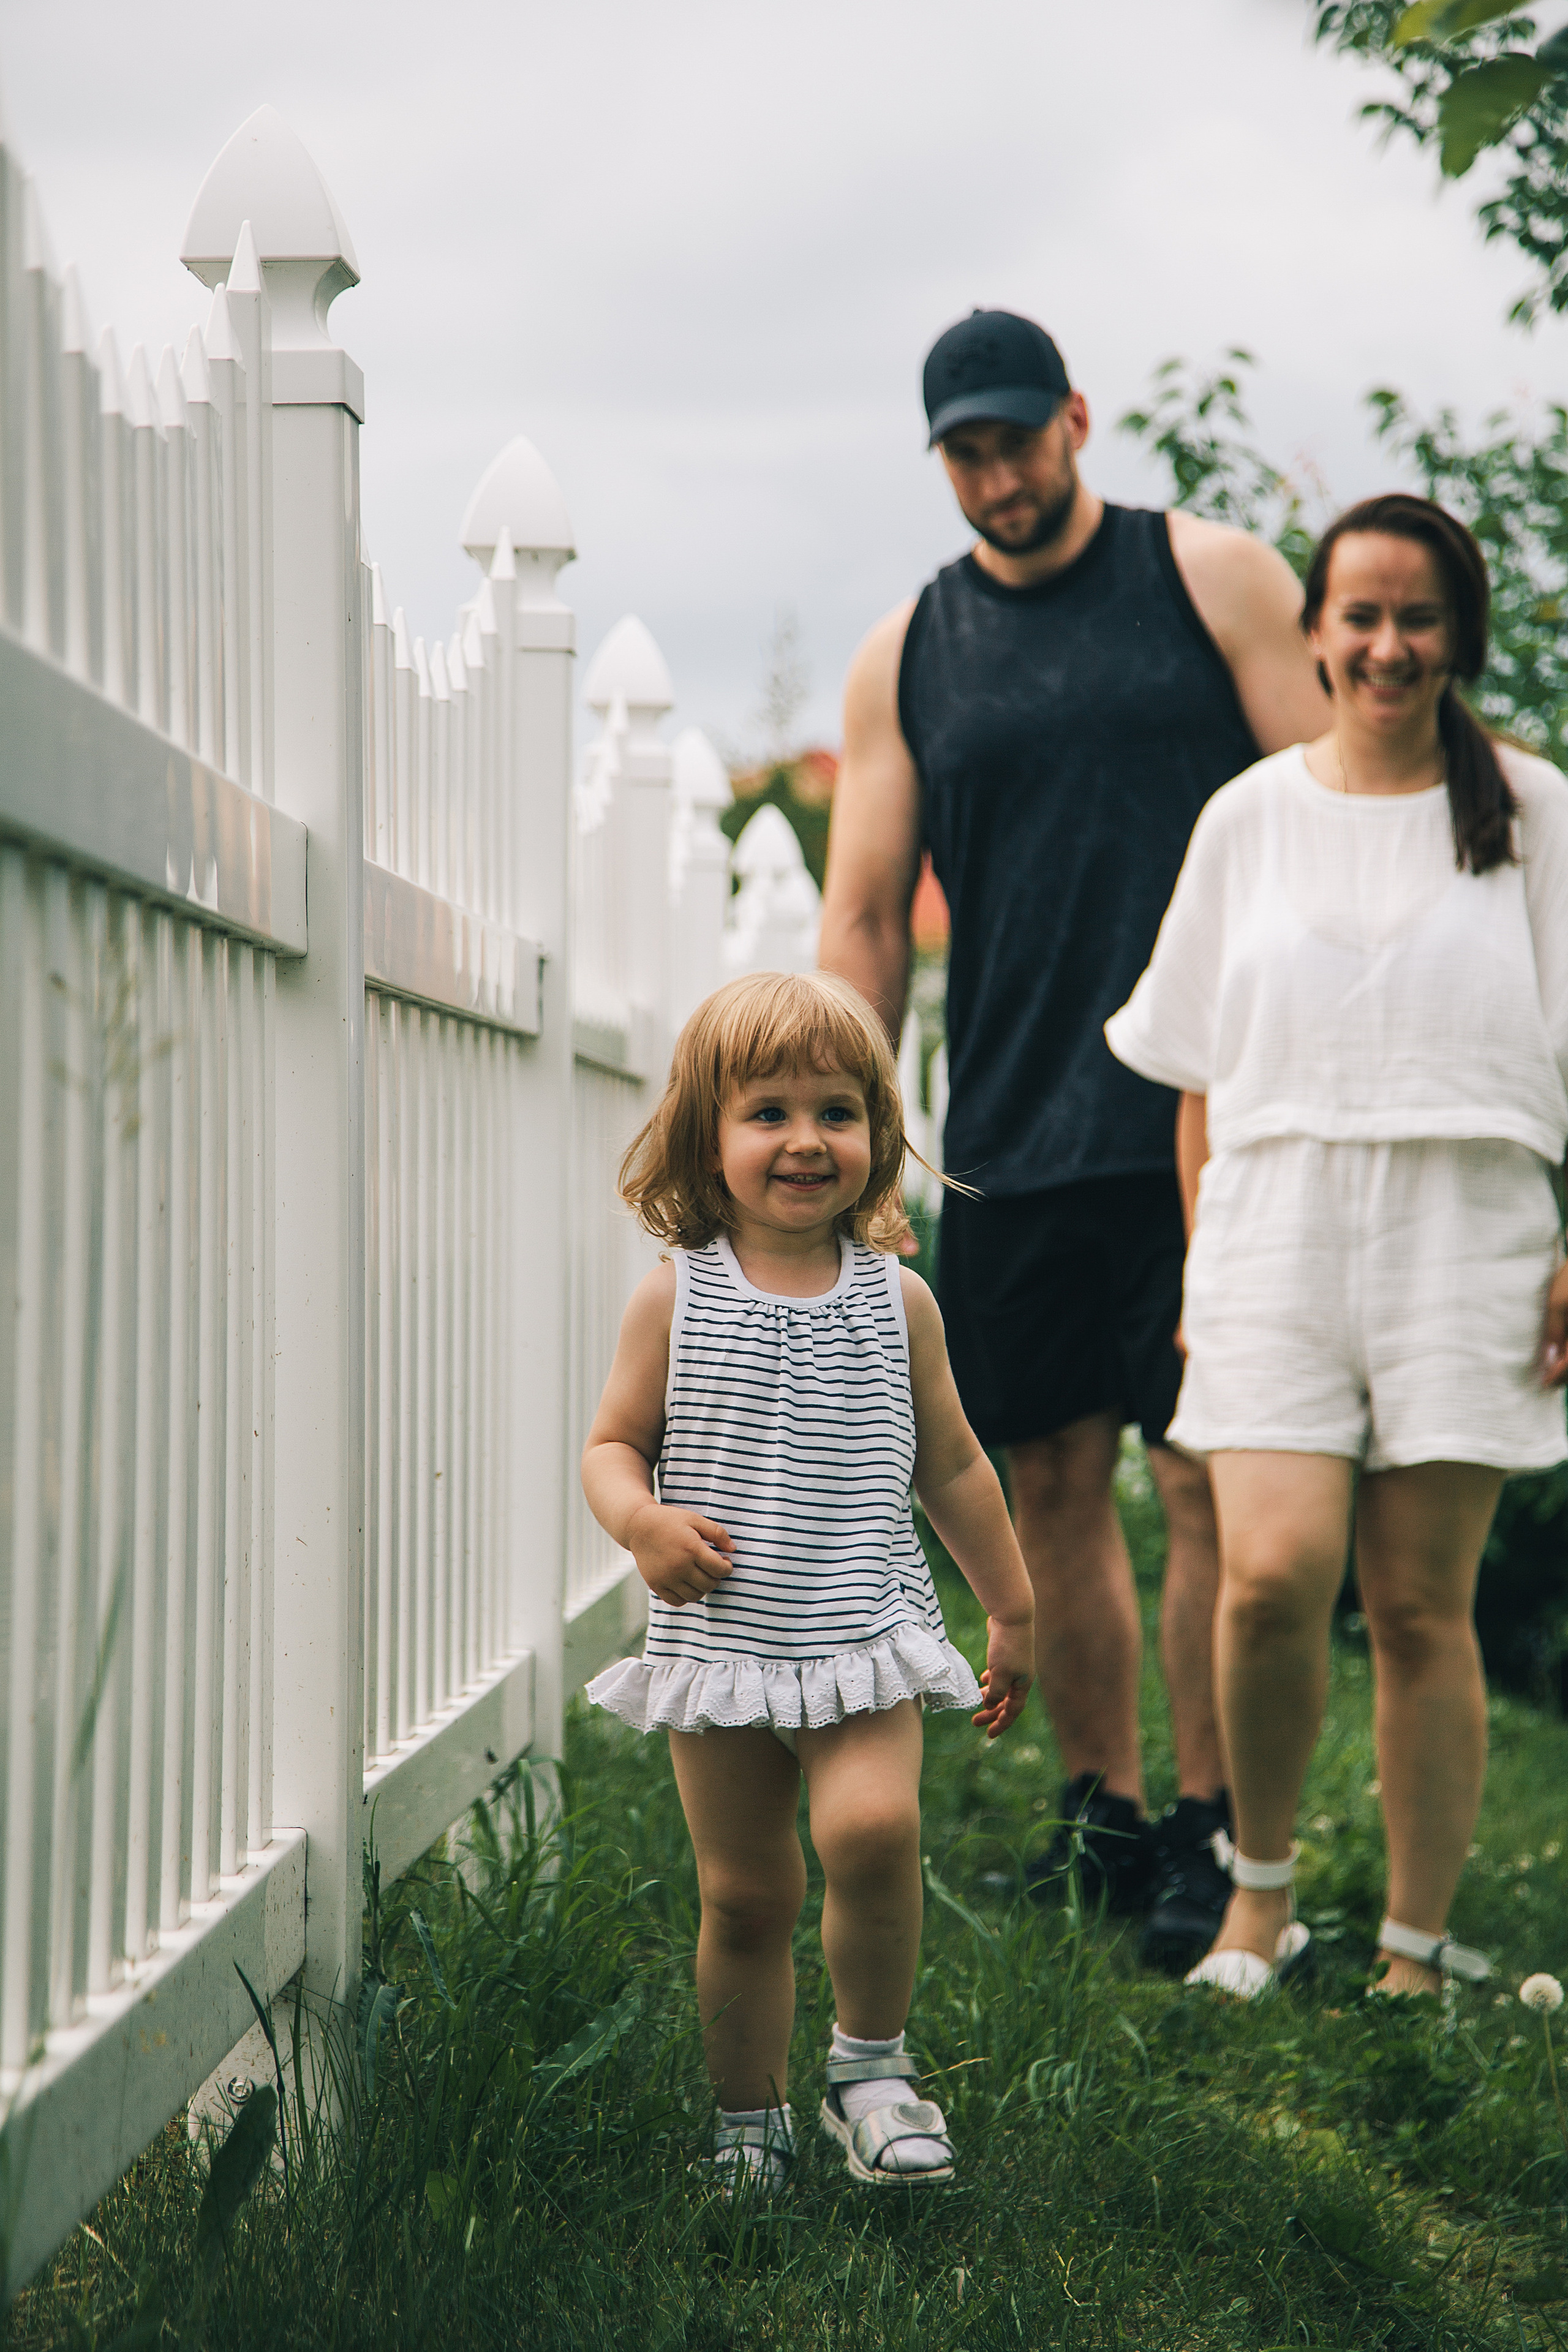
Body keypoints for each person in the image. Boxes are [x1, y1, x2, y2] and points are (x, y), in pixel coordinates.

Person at [818, 306, 1330, 1970]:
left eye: (1018, 439)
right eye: (965, 449)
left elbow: (1336, 807)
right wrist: (860, 1128)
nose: (996, 473)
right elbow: (866, 918)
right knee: (1048, 1477)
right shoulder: (908, 653)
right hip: (1012, 1132)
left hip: (1209, 1119)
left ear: (1077, 423)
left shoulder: (1217, 577)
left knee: (1194, 1479)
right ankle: (1102, 1813)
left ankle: (1210, 1827)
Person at [1106, 493, 1568, 1999]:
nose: (1385, 644)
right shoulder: (1247, 816)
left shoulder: (1537, 811)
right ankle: (1257, 1903)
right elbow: (1190, 1077)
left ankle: (1414, 1950)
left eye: (1415, 615)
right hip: (1271, 1233)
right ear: (1311, 633)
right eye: (1357, 615)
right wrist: (1202, 1265)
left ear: (1457, 636)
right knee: (1267, 1579)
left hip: (1468, 1232)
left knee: (1425, 1603)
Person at [582, 971, 1035, 2190]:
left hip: (861, 1633)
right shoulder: (676, 1295)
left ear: (879, 1137)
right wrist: (640, 1523)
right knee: (744, 1895)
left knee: (874, 1830)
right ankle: (746, 2122)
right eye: (767, 1112)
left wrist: (1008, 1604)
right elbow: (611, 1444)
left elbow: (949, 1462)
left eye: (835, 1111)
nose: (803, 1140)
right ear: (705, 1138)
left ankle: (870, 2071)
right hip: (723, 1644)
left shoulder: (899, 1303)